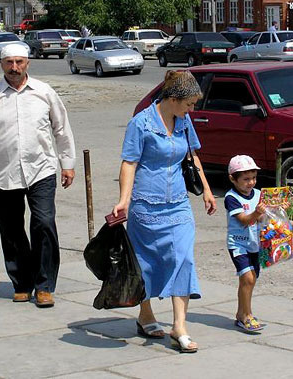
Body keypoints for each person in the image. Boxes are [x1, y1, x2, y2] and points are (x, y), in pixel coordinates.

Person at [112, 70, 217, 353]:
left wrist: (206, 189)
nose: (192, 109)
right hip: (147, 203)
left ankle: (179, 326)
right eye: (189, 104)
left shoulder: (183, 120)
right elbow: (129, 163)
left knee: (183, 258)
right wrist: (123, 200)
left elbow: (192, 156)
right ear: (172, 98)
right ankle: (145, 314)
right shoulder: (141, 123)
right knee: (146, 261)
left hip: (179, 203)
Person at [0, 44, 76, 308]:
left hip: (42, 169)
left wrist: (67, 163)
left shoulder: (44, 92)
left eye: (19, 62)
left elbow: (61, 129)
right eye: (9, 63)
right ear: (1, 64)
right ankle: (22, 283)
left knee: (44, 223)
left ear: (28, 62)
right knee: (11, 228)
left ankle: (45, 285)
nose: (14, 68)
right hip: (4, 173)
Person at [224, 155, 265, 333]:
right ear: (233, 179)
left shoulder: (258, 194)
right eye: (246, 179)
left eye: (253, 178)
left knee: (250, 279)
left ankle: (241, 313)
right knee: (247, 278)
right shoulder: (231, 198)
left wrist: (276, 208)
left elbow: (265, 216)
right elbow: (244, 220)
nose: (251, 183)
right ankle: (247, 315)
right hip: (238, 245)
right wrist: (257, 213)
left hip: (256, 244)